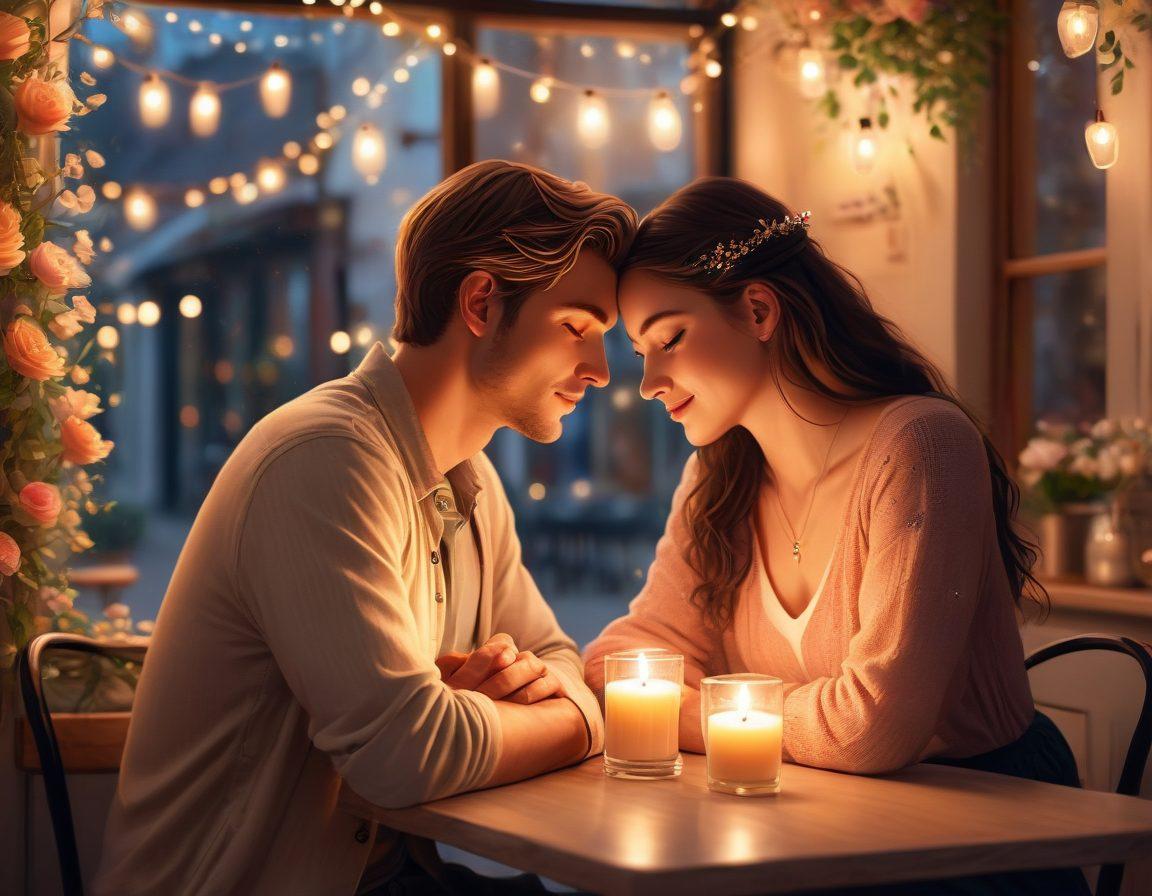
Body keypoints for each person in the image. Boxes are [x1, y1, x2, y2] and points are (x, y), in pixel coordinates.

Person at [94, 160, 637, 896]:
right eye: (576, 327)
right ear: (481, 302)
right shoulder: (326, 459)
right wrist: (575, 722)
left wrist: (489, 711)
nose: (600, 369)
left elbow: (558, 658)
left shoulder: (472, 480)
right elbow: (404, 757)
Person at [584, 177, 1091, 895]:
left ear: (759, 310)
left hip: (977, 835)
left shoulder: (923, 446)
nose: (648, 381)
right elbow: (622, 659)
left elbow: (874, 728)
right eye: (641, 351)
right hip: (811, 826)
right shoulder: (717, 478)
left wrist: (693, 711)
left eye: (669, 339)